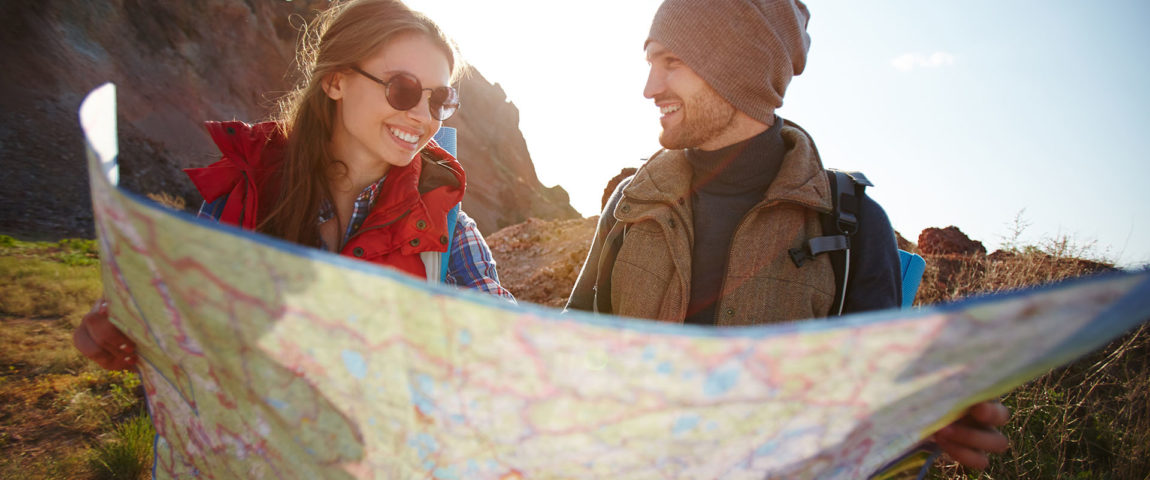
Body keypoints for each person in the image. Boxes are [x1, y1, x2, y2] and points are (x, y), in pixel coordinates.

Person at [566, 0, 1009, 470]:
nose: (650, 87)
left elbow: (871, 421)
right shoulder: (631, 203)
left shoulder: (853, 224)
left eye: (671, 62)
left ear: (737, 67)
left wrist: (917, 427)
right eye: (650, 62)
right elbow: (569, 355)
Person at [74, 0, 513, 372]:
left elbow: (512, 349)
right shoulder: (243, 195)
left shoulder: (450, 229)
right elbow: (187, 324)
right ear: (335, 80)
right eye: (403, 89)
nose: (422, 115)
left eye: (440, 99)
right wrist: (124, 324)